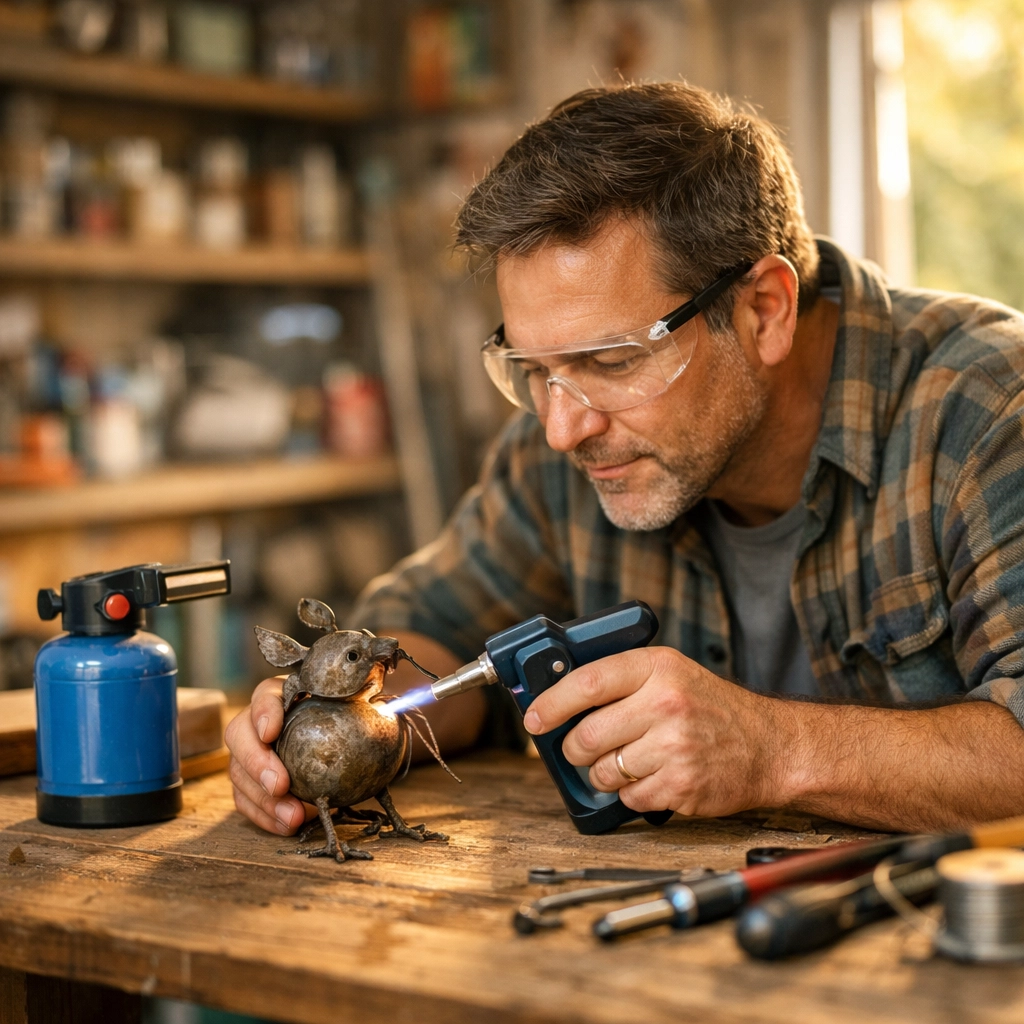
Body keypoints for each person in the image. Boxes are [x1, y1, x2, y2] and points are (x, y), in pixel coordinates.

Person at [226, 82, 1024, 838]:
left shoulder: (989, 410)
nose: (562, 429)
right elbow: (432, 631)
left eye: (609, 361)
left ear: (764, 311)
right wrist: (333, 717)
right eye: (532, 370)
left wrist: (773, 750)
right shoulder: (561, 448)